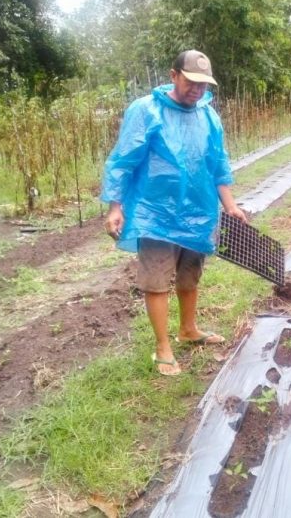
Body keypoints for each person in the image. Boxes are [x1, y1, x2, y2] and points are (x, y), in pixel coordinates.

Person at [101, 49, 247, 376]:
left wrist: (231, 206)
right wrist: (115, 206)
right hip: (155, 214)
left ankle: (188, 329)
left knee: (190, 274)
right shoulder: (146, 110)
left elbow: (217, 164)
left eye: (202, 84)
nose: (196, 89)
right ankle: (162, 347)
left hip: (198, 212)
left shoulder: (208, 116)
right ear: (173, 75)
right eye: (190, 82)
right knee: (156, 280)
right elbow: (123, 160)